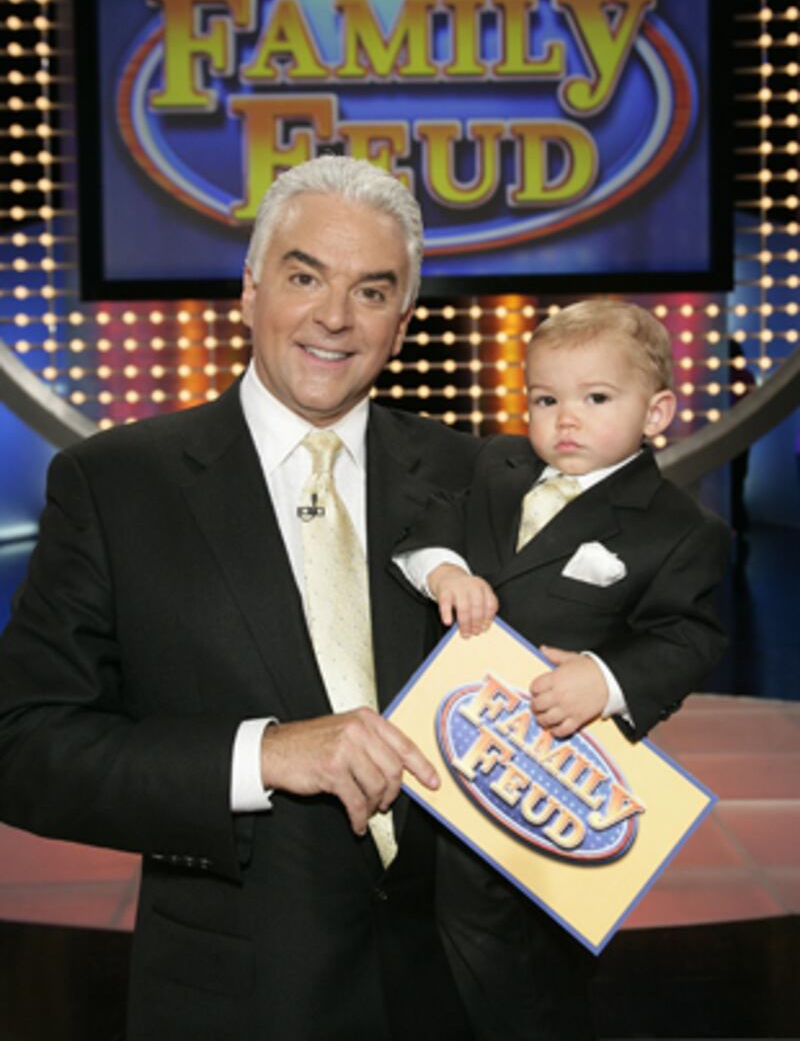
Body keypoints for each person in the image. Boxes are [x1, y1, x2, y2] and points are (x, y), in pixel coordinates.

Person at [0, 156, 482, 1041]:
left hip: (459, 997)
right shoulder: (116, 485)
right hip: (236, 1001)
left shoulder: (476, 475)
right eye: (305, 277)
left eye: (372, 292)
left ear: (403, 323)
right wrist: (262, 754)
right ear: (250, 291)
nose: (334, 317)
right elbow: (25, 745)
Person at [396, 299, 731, 1040]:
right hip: (436, 751)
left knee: (521, 970)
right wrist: (443, 570)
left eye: (597, 398)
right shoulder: (496, 465)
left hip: (540, 781)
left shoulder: (680, 530)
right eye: (546, 400)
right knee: (419, 950)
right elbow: (429, 522)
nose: (566, 419)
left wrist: (605, 680)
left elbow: (687, 637)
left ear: (656, 412)